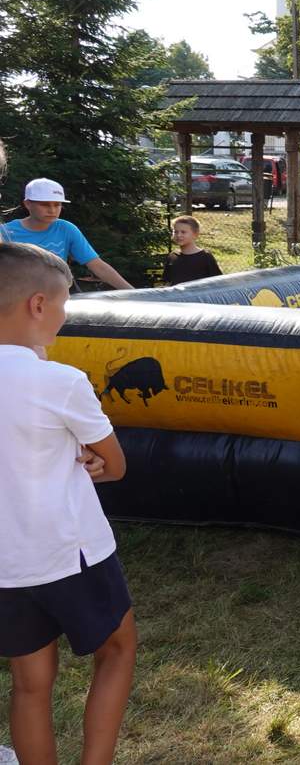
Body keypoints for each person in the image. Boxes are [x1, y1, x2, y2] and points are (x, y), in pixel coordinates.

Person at [0, 243, 137, 765]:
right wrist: (95, 459)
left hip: (7, 565)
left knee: (29, 683)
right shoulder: (61, 381)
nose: (64, 314)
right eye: (63, 303)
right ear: (38, 305)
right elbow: (115, 465)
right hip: (71, 552)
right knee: (118, 648)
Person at [2, 179, 133, 290]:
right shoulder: (5, 232)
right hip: (16, 300)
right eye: (45, 204)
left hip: (55, 298)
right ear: (27, 204)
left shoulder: (66, 229)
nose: (52, 210)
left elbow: (97, 265)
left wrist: (133, 293)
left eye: (57, 204)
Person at [163, 216, 222, 286]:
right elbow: (168, 282)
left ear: (195, 234)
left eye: (183, 232)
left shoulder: (205, 257)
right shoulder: (172, 256)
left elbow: (217, 282)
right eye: (175, 232)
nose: (179, 235)